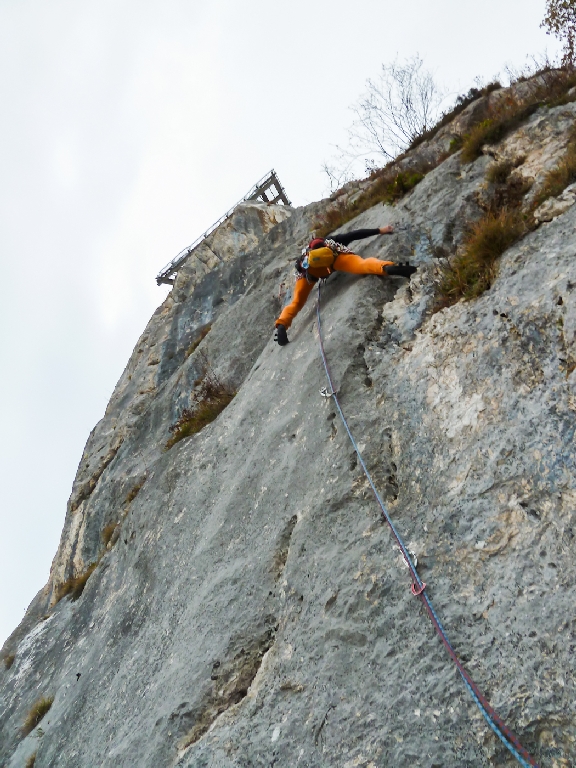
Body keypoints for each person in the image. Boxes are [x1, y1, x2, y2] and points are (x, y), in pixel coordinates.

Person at [274, 227, 416, 345]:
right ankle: (386, 267)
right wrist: (380, 230)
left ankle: (282, 324)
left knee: (297, 302)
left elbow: (299, 280)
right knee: (363, 265)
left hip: (308, 270)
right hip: (335, 258)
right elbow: (355, 234)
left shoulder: (305, 255)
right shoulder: (331, 241)